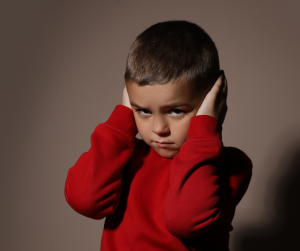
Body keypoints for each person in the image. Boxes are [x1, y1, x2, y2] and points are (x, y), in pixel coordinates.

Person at [64, 20, 252, 250]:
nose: (158, 128)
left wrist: (205, 130)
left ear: (211, 102)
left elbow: (183, 221)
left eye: (175, 111)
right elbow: (85, 201)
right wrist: (122, 121)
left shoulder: (231, 166)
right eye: (143, 110)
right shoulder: (124, 156)